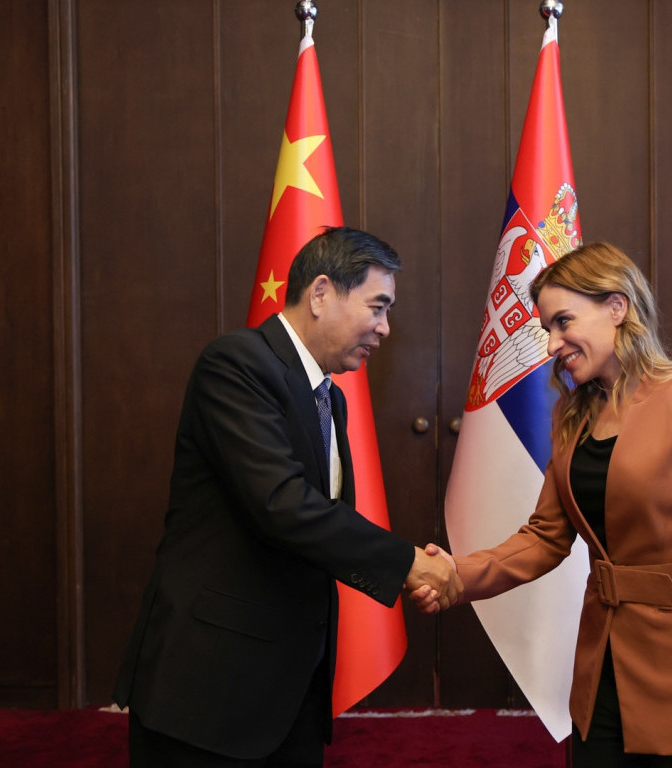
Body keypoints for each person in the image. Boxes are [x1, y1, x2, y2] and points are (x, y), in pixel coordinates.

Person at [113, 226, 461, 768]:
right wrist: (408, 563)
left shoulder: (328, 397)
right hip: (209, 690)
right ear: (321, 293)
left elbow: (325, 526)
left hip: (290, 690)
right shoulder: (237, 364)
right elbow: (282, 504)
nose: (385, 327)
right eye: (377, 307)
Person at [415, 241, 672, 768]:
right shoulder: (573, 416)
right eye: (547, 329)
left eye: (563, 322)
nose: (552, 343)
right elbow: (544, 537)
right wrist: (455, 574)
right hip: (600, 673)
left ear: (617, 307)